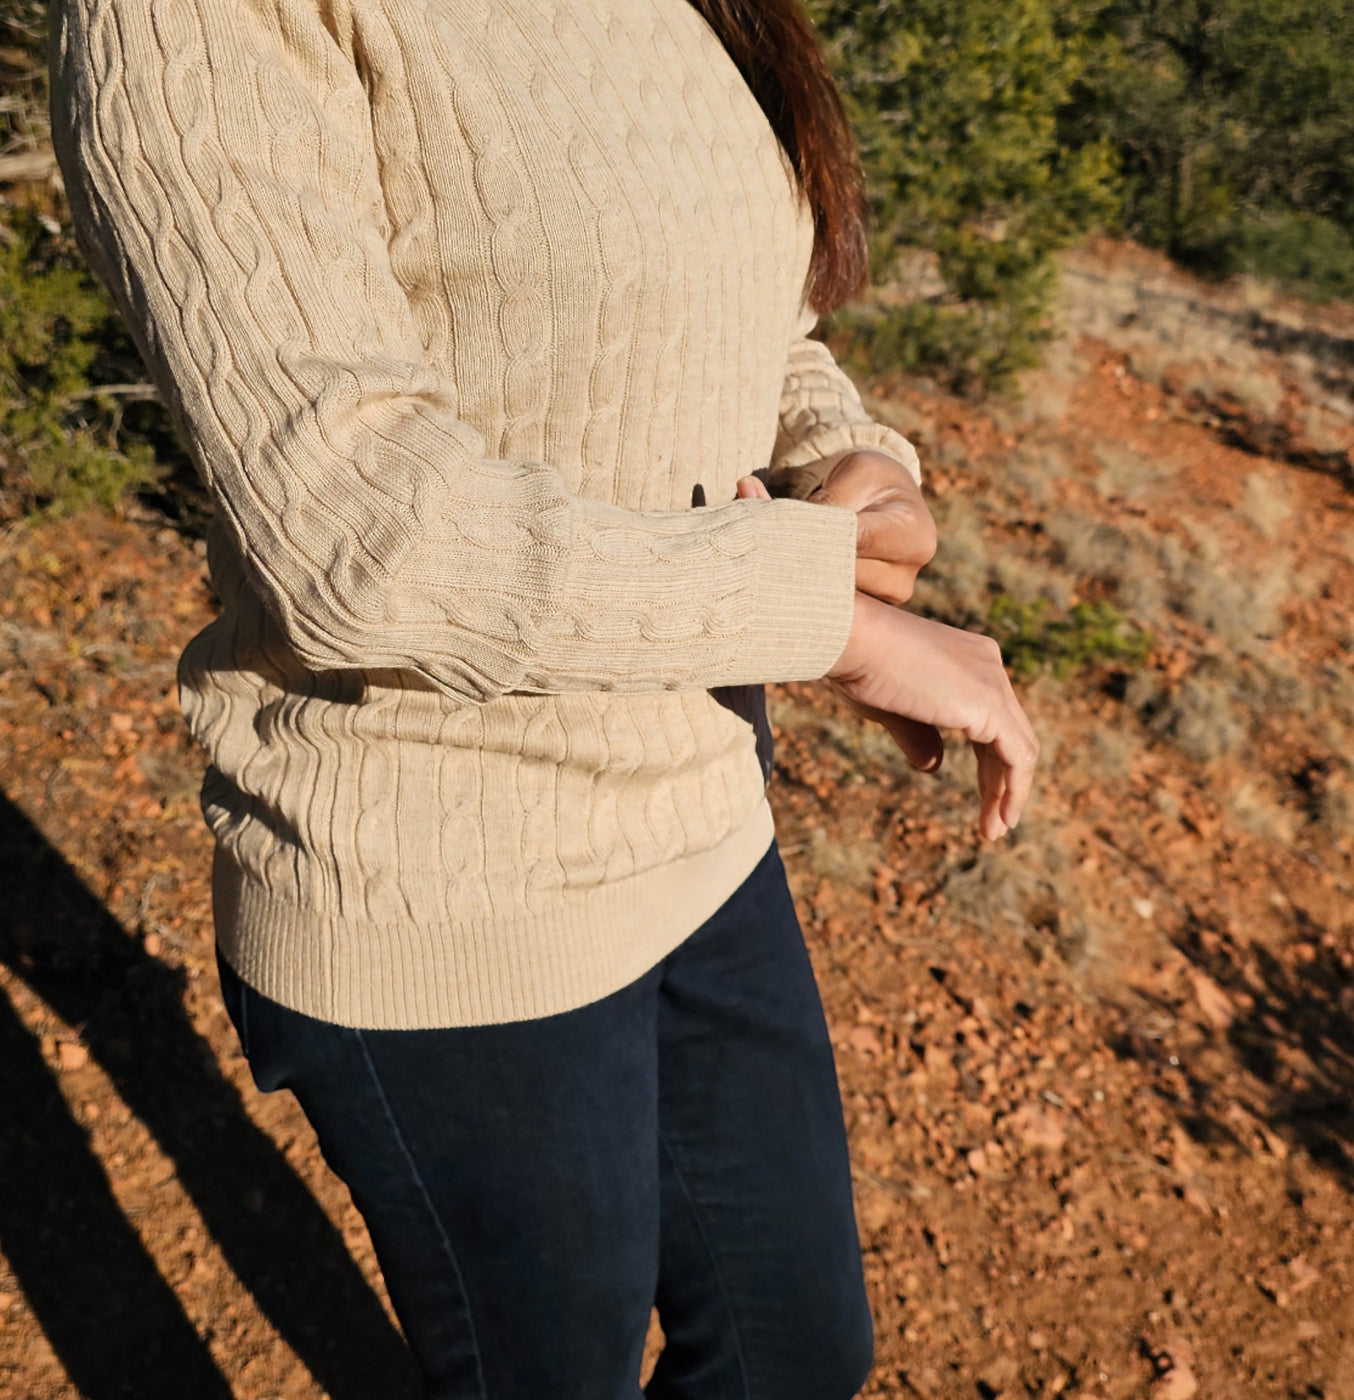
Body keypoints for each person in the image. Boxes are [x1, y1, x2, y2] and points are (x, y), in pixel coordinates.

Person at [48, 0, 1038, 1392]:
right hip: (438, 882)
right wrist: (836, 623)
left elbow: (748, 306)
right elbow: (361, 541)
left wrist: (847, 458)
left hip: (699, 814)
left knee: (796, 1357)